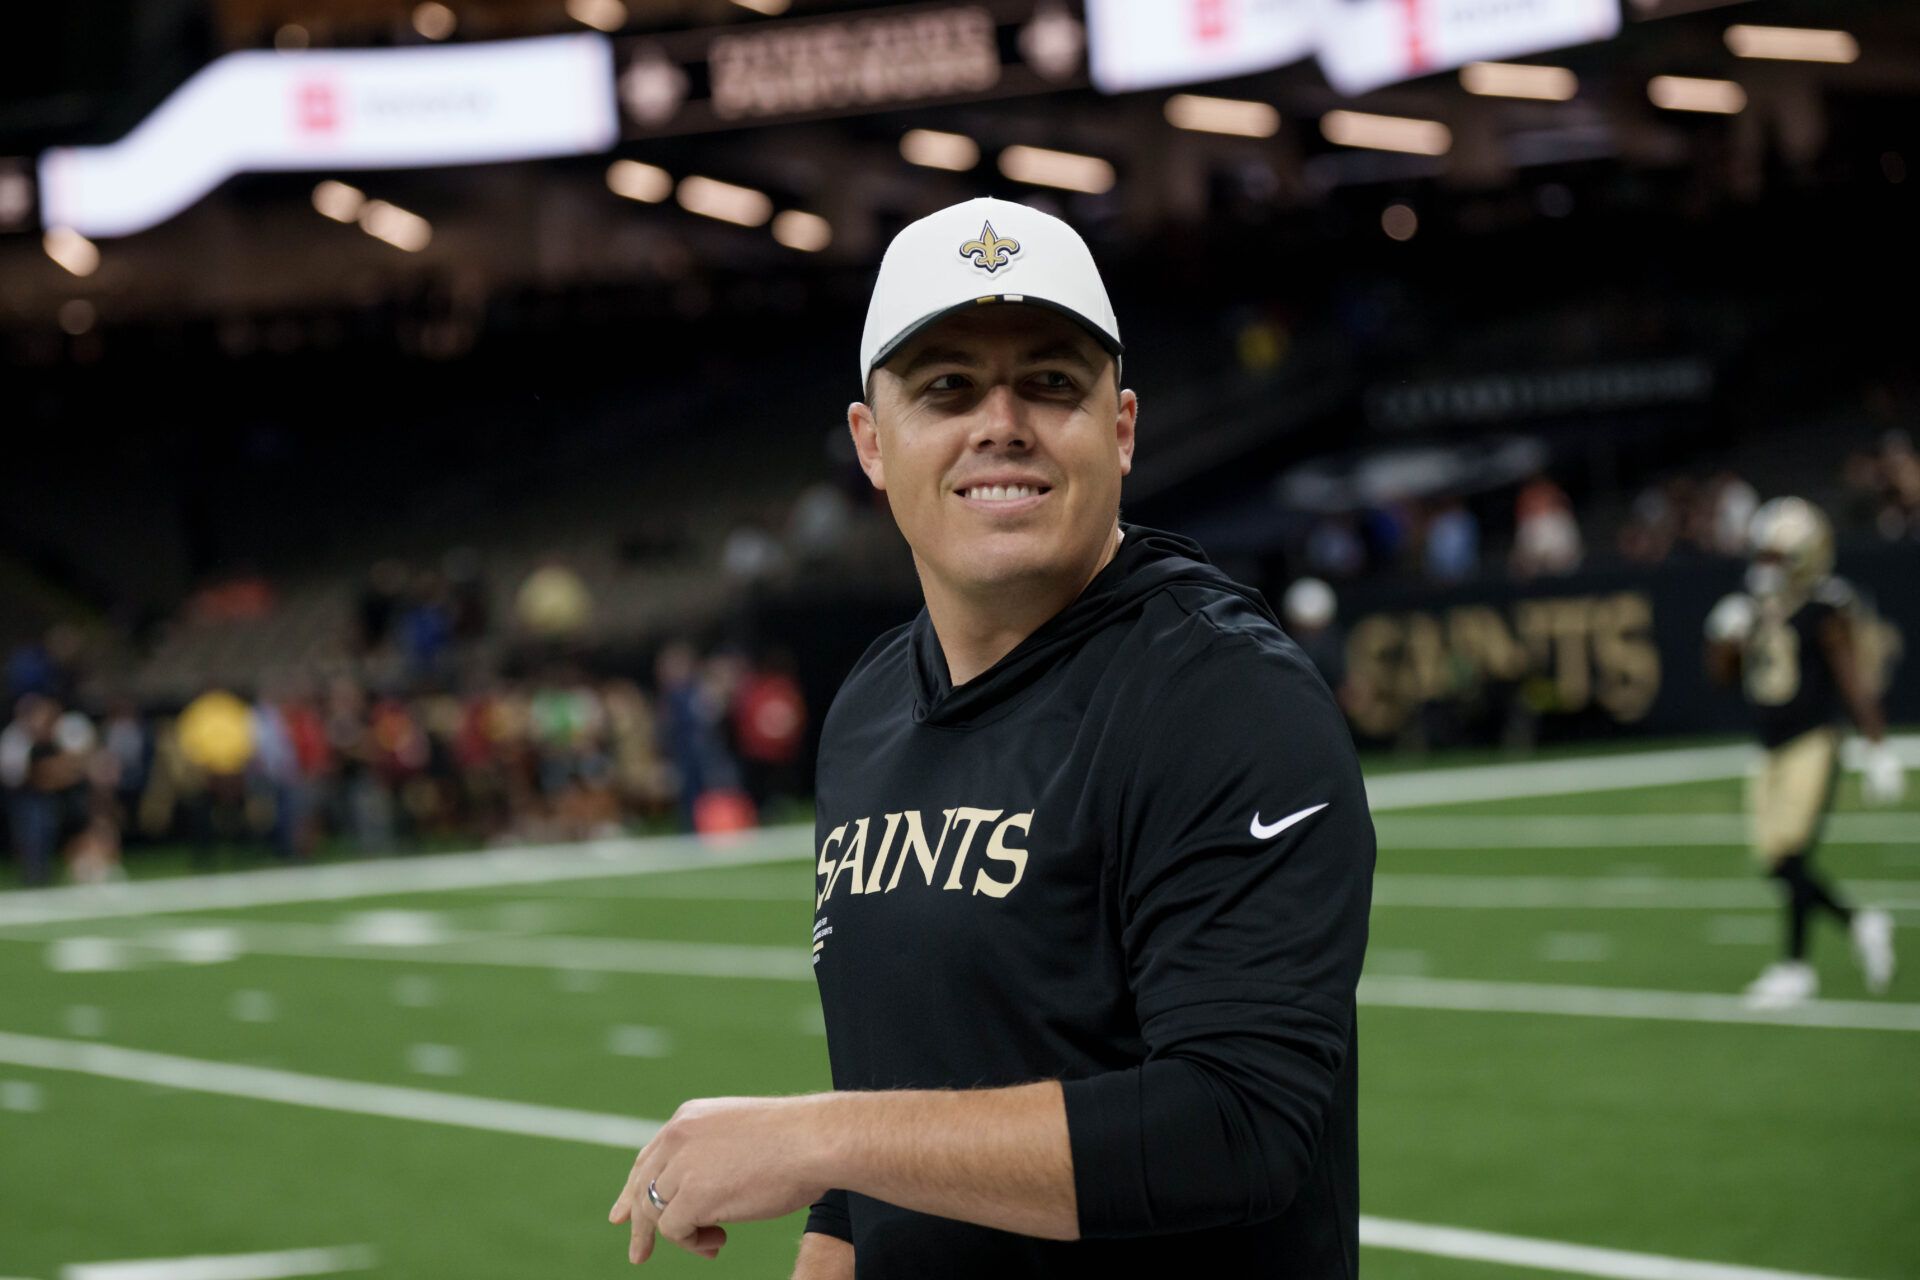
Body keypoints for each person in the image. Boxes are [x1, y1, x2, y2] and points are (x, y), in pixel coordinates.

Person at [609, 197, 1375, 1277]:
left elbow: (1238, 1126)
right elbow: (888, 1117)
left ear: (1123, 426)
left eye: (1052, 383)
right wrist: (831, 1215)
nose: (1001, 422)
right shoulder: (871, 702)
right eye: (948, 388)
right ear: (873, 444)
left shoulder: (1226, 698)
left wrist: (812, 1133)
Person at [1704, 496, 1901, 1009]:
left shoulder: (1823, 609)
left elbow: (1850, 676)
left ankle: (1795, 968)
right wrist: (1728, 636)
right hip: (1768, 746)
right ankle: (1859, 923)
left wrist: (1876, 744)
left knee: (1790, 852)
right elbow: (1721, 677)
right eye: (1762, 555)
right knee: (1774, 861)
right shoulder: (1751, 608)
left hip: (1813, 740)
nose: (1766, 566)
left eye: (1776, 556)